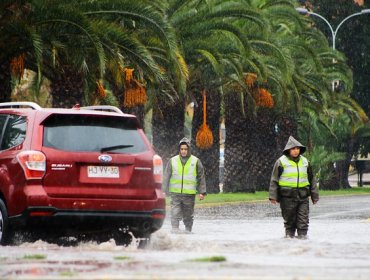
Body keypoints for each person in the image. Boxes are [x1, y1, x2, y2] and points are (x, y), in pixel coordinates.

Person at [269, 136, 319, 239]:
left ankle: (302, 240)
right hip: (287, 197)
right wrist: (273, 196)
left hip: (303, 197)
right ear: (288, 150)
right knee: (289, 222)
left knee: (303, 221)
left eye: (297, 148)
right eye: (293, 149)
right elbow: (274, 180)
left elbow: (312, 179)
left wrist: (314, 196)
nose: (296, 151)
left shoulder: (305, 162)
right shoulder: (281, 162)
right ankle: (289, 240)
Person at [163, 137, 206, 234]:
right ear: (179, 149)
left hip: (189, 195)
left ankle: (188, 232)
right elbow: (166, 176)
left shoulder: (195, 161)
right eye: (182, 149)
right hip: (175, 194)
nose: (183, 151)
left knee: (188, 216)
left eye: (185, 149)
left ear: (189, 149)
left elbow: (201, 177)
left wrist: (202, 192)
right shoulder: (172, 161)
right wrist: (162, 190)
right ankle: (175, 231)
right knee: (174, 213)